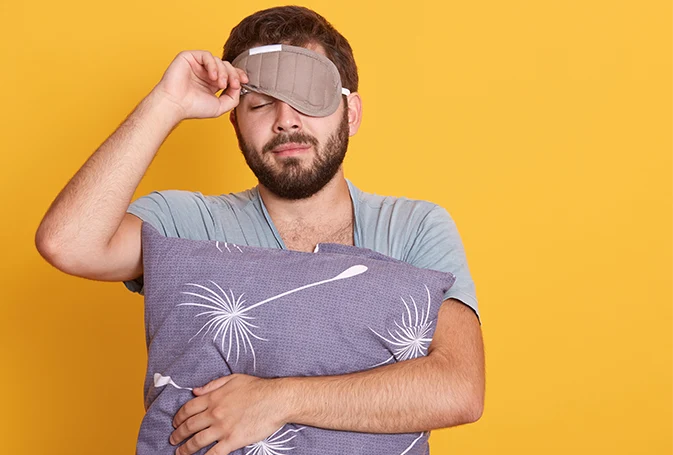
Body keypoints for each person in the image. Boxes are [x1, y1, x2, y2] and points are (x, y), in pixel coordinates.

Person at [35, 5, 484, 455]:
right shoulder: (186, 224)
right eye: (262, 103)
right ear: (234, 120)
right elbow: (67, 243)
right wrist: (167, 103)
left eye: (308, 98)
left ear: (350, 113)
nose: (285, 119)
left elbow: (459, 388)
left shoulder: (414, 228)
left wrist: (277, 400)